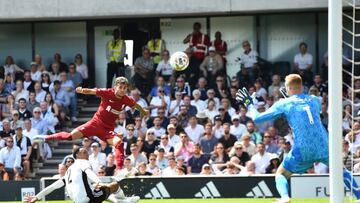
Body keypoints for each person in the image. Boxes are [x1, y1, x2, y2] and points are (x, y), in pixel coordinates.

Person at [236, 73, 360, 203]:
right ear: (301, 87)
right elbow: (308, 113)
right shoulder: (315, 99)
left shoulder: (284, 103)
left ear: (288, 87)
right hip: (324, 145)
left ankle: (285, 197)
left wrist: (249, 104)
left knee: (281, 174)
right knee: (342, 171)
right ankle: (359, 196)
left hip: (303, 148)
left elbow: (257, 119)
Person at [45, 77, 148, 169]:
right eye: (120, 87)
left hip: (107, 130)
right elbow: (93, 91)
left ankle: (119, 169)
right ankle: (46, 138)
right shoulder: (107, 92)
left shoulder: (127, 99)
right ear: (115, 87)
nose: (122, 90)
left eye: (124, 88)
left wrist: (143, 111)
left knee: (119, 143)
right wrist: (82, 90)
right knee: (69, 136)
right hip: (94, 124)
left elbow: (136, 105)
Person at [24, 147, 140, 203]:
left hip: (80, 201)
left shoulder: (70, 171)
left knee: (98, 189)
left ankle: (120, 201)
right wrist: (99, 182)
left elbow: (53, 186)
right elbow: (89, 173)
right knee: (113, 185)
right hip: (89, 199)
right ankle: (125, 201)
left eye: (86, 151)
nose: (87, 153)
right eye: (84, 152)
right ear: (77, 155)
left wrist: (37, 197)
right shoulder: (82, 162)